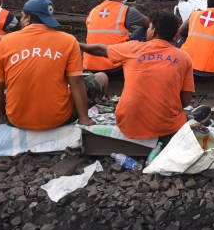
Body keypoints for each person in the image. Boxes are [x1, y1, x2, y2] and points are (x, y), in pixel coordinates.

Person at [79, 11, 193, 141]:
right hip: (167, 127)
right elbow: (185, 101)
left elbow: (101, 49)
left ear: (154, 31)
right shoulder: (184, 57)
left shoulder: (132, 48)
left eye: (149, 27)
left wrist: (78, 46)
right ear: (174, 36)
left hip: (128, 125)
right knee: (191, 119)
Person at [0, 0, 98, 130]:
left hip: (16, 119)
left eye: (22, 17)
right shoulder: (68, 41)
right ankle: (83, 116)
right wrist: (84, 119)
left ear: (28, 18)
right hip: (58, 119)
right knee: (101, 79)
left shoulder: (6, 41)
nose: (21, 20)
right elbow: (76, 81)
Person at [82, 0, 149, 73]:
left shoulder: (93, 11)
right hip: (115, 65)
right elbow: (150, 24)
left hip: (89, 65)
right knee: (147, 30)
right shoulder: (126, 10)